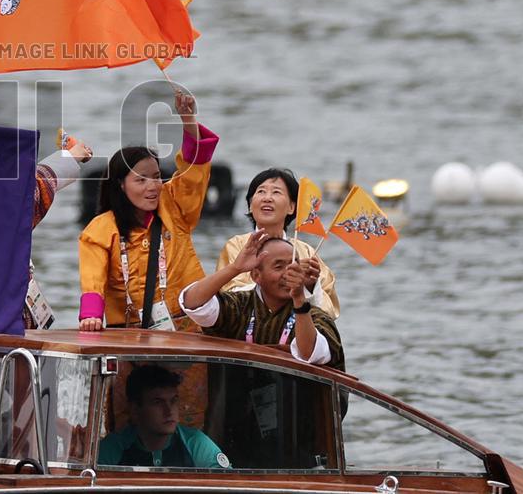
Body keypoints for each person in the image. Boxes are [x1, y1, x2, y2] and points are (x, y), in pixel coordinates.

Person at [78, 89, 218, 331]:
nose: (153, 187)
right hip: (127, 336)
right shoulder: (100, 230)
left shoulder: (173, 205)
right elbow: (92, 280)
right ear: (121, 185)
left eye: (156, 177)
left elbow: (194, 173)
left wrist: (188, 121)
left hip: (189, 332)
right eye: (141, 180)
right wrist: (90, 316)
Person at [180, 232, 345, 370]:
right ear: (256, 276)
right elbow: (192, 303)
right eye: (279, 267)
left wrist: (299, 299)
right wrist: (235, 268)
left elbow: (309, 353)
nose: (288, 273)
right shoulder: (239, 306)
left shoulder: (316, 317)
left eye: (294, 266)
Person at [216, 168, 340, 319]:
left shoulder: (306, 251)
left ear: (291, 207)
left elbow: (329, 312)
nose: (267, 198)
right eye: (261, 192)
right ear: (250, 204)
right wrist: (283, 282)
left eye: (276, 192)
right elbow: (229, 297)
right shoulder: (237, 246)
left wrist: (307, 286)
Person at [98, 364, 229, 468]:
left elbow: (227, 484)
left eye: (173, 400)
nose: (169, 410)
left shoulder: (195, 443)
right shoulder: (114, 447)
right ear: (135, 410)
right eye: (157, 402)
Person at [25, 134, 93, 328]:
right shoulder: (9, 209)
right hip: (5, 313)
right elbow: (31, 191)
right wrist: (71, 156)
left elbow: (32, 187)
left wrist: (70, 157)